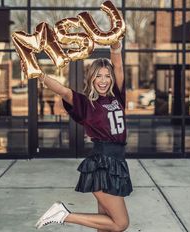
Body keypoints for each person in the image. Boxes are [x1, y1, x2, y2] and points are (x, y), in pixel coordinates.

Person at [34, 40, 133, 231]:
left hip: (117, 163)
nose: (103, 80)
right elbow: (62, 91)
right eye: (98, 76)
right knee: (121, 223)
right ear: (91, 79)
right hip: (103, 164)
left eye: (107, 76)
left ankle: (63, 214)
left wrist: (114, 46)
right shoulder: (86, 103)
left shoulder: (117, 96)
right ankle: (63, 214)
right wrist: (40, 74)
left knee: (105, 223)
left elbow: (118, 65)